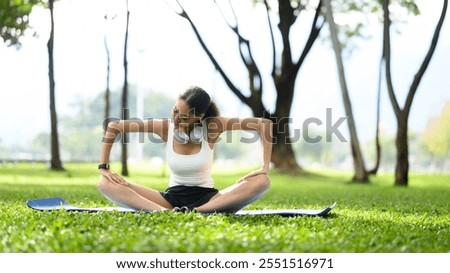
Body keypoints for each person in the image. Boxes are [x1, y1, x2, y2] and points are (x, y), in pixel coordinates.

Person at [97, 86, 272, 213]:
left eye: (183, 117)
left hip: (209, 199)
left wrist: (264, 166)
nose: (175, 119)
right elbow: (114, 126)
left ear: (199, 117)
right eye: (174, 111)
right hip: (170, 199)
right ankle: (165, 213)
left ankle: (199, 212)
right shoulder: (165, 127)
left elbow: (264, 124)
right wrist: (103, 168)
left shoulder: (213, 126)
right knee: (104, 183)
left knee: (262, 181)